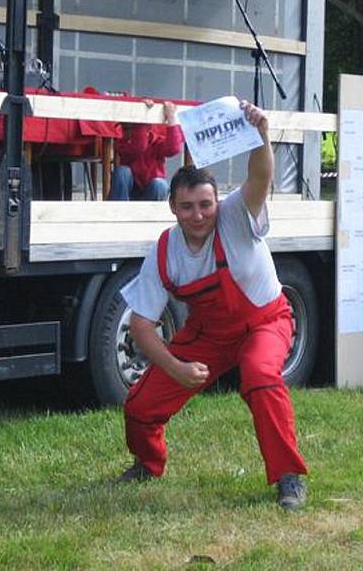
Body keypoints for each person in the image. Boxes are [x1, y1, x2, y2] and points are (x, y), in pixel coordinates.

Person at [116, 100, 308, 510]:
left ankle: (288, 477)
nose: (199, 215)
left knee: (259, 375)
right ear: (173, 208)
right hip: (210, 335)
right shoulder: (164, 250)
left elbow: (260, 175)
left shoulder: (238, 213)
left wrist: (261, 133)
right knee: (140, 405)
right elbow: (142, 326)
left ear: (217, 200)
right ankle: (147, 464)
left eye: (205, 204)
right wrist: (175, 368)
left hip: (266, 321)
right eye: (187, 207)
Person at [108, 99, 183, 201]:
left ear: (147, 129)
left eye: (132, 129)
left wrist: (171, 118)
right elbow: (138, 147)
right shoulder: (122, 143)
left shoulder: (156, 142)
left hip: (151, 190)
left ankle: (150, 216)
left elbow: (173, 149)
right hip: (129, 192)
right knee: (122, 171)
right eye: (125, 129)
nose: (128, 133)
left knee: (160, 185)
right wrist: (142, 116)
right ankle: (116, 213)